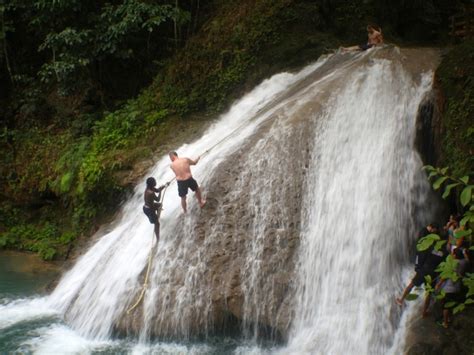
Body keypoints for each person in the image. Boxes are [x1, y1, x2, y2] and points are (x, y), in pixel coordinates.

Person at [435, 247, 469, 328]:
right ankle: (449, 318)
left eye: (453, 253)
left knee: (445, 306)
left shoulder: (452, 264)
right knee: (450, 303)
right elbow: (467, 260)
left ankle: (445, 322)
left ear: (454, 255)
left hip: (449, 289)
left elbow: (445, 276)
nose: (452, 254)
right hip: (457, 288)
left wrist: (438, 285)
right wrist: (464, 252)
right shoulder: (464, 262)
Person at [143, 177, 168, 241]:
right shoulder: (150, 192)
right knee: (157, 224)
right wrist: (160, 192)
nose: (156, 182)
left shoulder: (150, 188)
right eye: (154, 181)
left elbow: (157, 190)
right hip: (149, 210)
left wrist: (164, 186)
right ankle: (158, 239)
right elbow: (158, 199)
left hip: (149, 206)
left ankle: (156, 217)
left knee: (159, 205)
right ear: (152, 184)